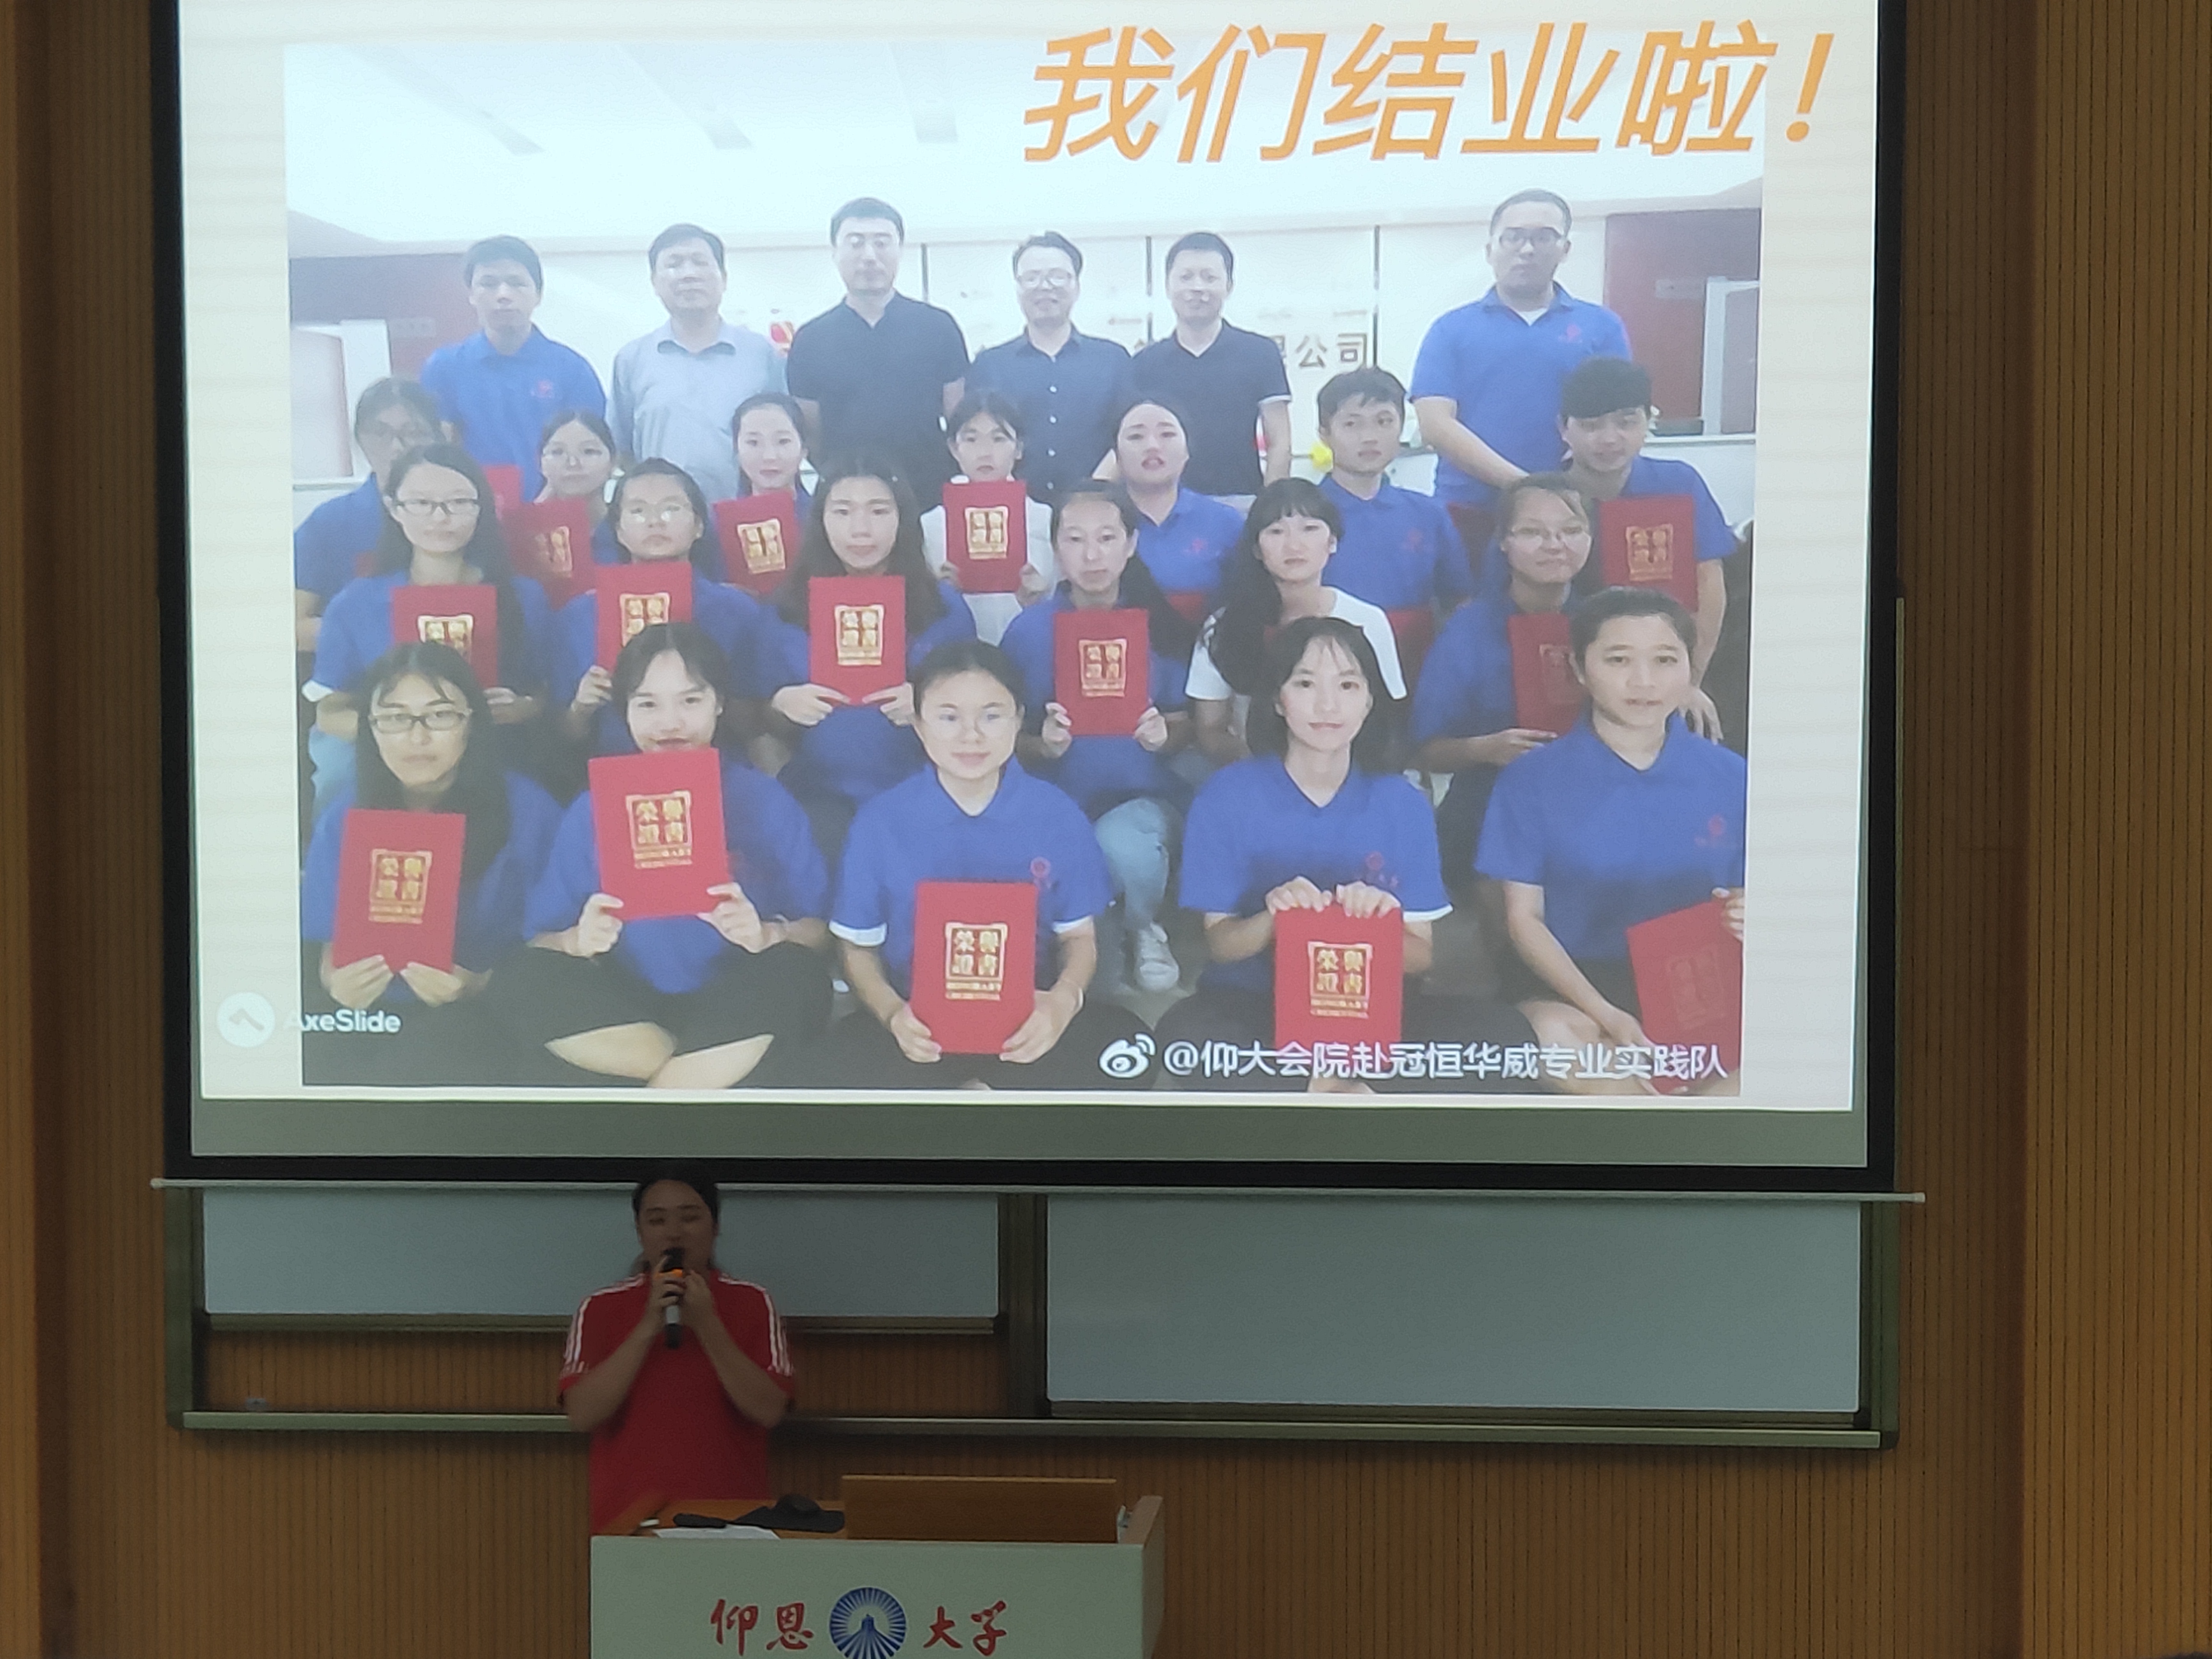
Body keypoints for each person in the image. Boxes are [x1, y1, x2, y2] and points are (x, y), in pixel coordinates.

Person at [1157, 617, 1536, 1093]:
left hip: (1372, 1008)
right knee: (1185, 1038)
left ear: (1370, 700)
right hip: (1257, 1003)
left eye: (1348, 685)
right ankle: (1349, 1090)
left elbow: (1420, 957)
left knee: (1507, 1037)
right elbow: (1221, 944)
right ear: (1278, 699)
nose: (1328, 705)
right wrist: (1275, 920)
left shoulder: (1402, 803)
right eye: (1305, 684)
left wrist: (1377, 925)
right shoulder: (1226, 796)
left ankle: (1317, 1087)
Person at [498, 624, 835, 1089]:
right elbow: (540, 941)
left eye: (690, 701)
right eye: (647, 704)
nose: (670, 723)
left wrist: (767, 934)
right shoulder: (594, 807)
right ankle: (693, 1076)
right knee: (519, 976)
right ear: (625, 711)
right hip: (628, 1010)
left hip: (736, 997)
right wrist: (578, 940)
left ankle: (656, 1093)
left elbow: (818, 933)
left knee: (798, 972)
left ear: (719, 703)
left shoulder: (764, 800)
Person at [820, 639, 1160, 1089]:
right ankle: (993, 1101)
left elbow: (1079, 938)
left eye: (992, 716)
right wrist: (892, 1014)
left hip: (1029, 1020)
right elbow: (857, 948)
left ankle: (964, 1102)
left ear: (1019, 720)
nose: (971, 736)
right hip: (917, 1025)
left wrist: (1061, 1005)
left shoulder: (1057, 814)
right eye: (948, 717)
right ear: (918, 724)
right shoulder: (879, 822)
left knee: (1132, 1049)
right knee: (829, 1067)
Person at [1474, 587, 1746, 1095]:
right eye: (1619, 660)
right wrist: (1606, 1013)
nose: (1644, 681)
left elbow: (1752, 899)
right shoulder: (1530, 780)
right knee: (1556, 1042)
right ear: (1579, 668)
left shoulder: (1735, 778)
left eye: (1665, 660)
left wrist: (1749, 915)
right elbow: (1523, 920)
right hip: (1574, 985)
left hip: (1701, 986)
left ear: (1691, 667)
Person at [300, 642, 564, 1084]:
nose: (417, 738)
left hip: (488, 1012)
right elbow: (330, 941)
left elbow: (559, 944)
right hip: (372, 1013)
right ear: (370, 727)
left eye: (440, 716)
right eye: (395, 718)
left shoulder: (530, 811)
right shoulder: (344, 816)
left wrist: (481, 985)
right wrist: (336, 983)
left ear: (472, 723)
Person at [999, 482, 1197, 994]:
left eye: (1107, 538)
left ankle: (1142, 926)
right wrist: (1042, 745)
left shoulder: (1162, 627)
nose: (1092, 556)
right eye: (1075, 539)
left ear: (1131, 544)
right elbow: (1002, 735)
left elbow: (1187, 722)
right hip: (1051, 797)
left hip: (1140, 798)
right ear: (1056, 548)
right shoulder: (1027, 633)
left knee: (1123, 845)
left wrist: (1164, 735)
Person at [305, 443, 553, 814]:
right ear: (394, 508)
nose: (441, 517)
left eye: (459, 502)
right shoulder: (354, 605)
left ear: (482, 509)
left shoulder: (523, 597)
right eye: (422, 503)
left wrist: (521, 709)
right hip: (389, 765)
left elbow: (545, 696)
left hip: (492, 758)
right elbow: (329, 714)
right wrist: (401, 727)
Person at [761, 460, 978, 866]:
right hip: (818, 795)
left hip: (922, 790)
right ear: (820, 520)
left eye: (878, 511)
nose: (860, 530)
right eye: (843, 512)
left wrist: (930, 704)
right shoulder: (787, 609)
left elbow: (977, 703)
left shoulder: (944, 609)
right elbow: (751, 717)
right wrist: (780, 704)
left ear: (903, 519)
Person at [559, 1169, 794, 1534]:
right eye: (657, 1221)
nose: (674, 1232)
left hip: (734, 1518)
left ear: (715, 1227)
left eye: (690, 1217)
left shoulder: (753, 1301)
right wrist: (648, 1325)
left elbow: (769, 1410)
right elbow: (583, 1415)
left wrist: (708, 1324)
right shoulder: (600, 1307)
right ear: (640, 1232)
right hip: (630, 1520)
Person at [1410, 474, 1591, 884]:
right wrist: (1485, 749)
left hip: (1589, 807)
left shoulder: (1607, 622)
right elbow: (1426, 751)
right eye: (1532, 532)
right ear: (1504, 541)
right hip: (1489, 810)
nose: (1554, 545)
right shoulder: (1469, 630)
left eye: (1571, 530)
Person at [1410, 191, 1630, 510]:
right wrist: (1526, 487)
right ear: (1490, 250)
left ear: (1565, 249)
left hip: (1573, 508)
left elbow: (1618, 419)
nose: (1527, 249)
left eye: (1543, 238)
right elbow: (1435, 425)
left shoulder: (1602, 327)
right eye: (1513, 237)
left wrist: (1559, 493)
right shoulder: (1450, 330)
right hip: (1468, 508)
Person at [1555, 356, 1734, 738]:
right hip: (1574, 677)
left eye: (1626, 422)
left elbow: (1710, 585)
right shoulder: (1543, 497)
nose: (1609, 439)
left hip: (1669, 668)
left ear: (1648, 421)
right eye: (1591, 425)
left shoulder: (1679, 483)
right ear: (1563, 428)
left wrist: (1689, 681)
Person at [546, 459, 776, 758]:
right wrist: (581, 708)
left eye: (671, 509)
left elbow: (760, 724)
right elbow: (562, 736)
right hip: (616, 771)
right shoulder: (579, 615)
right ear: (618, 530)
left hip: (718, 769)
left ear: (699, 526)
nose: (655, 522)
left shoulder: (737, 609)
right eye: (638, 511)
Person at [1187, 480, 1407, 764]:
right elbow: (1211, 731)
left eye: (1310, 529)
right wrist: (1274, 770)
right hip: (1257, 772)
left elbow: (1388, 720)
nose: (1294, 545)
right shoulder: (1223, 626)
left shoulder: (1367, 620)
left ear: (1332, 542)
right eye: (1276, 531)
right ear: (1257, 549)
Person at [784, 198, 968, 505]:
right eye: (856, 243)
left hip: (929, 496)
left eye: (882, 243)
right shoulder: (810, 339)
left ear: (900, 251)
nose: (869, 256)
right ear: (835, 253)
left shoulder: (938, 327)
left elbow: (959, 419)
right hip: (846, 500)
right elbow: (811, 436)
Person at [608, 223, 784, 505]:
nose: (688, 274)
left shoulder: (761, 354)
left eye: (700, 262)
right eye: (674, 265)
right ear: (655, 282)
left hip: (744, 516)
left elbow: (784, 439)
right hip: (662, 520)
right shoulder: (632, 359)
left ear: (723, 278)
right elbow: (622, 449)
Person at [419, 236, 606, 500]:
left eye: (517, 283)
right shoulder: (444, 368)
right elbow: (436, 452)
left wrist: (543, 507)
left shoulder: (573, 370)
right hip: (470, 512)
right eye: (489, 284)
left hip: (557, 510)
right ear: (471, 294)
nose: (503, 295)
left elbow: (593, 456)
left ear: (538, 294)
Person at [966, 232, 1133, 504]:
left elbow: (1129, 435)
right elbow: (977, 441)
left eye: (1057, 276)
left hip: (1097, 508)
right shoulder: (989, 365)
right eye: (1031, 278)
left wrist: (1093, 493)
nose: (1044, 287)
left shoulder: (1113, 360)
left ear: (1076, 286)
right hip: (1014, 509)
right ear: (1018, 288)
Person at [1130, 232, 1291, 498]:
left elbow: (1279, 442)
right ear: (1168, 286)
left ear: (1229, 286)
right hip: (1166, 503)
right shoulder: (1145, 363)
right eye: (1186, 277)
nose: (1197, 287)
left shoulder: (1260, 353)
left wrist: (1270, 507)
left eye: (1209, 277)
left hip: (1241, 500)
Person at [294, 379, 442, 655]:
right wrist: (378, 635)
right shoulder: (329, 523)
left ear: (437, 437)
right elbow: (291, 627)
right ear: (360, 440)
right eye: (380, 433)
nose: (397, 447)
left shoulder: (462, 514)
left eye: (413, 432)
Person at [1314, 367, 1474, 615]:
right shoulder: (1305, 515)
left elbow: (1459, 601)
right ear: (1325, 434)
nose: (1369, 437)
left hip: (1414, 640)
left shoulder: (1429, 514)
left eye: (1384, 422)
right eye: (1352, 424)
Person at [919, 390, 1054, 645]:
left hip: (1025, 643)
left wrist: (1041, 597)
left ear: (1019, 449)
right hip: (959, 650)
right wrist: (940, 593)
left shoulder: (1045, 519)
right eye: (971, 439)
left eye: (998, 439)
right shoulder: (931, 525)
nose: (985, 452)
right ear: (954, 449)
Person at [1112, 397, 1244, 621]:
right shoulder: (1099, 523)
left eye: (1167, 434)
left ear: (1187, 451)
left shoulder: (1226, 522)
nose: (1152, 446)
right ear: (1117, 456)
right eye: (1136, 437)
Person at [533, 408, 623, 566]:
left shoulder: (630, 529)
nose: (573, 463)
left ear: (614, 461)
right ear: (540, 463)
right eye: (558, 452)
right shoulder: (516, 533)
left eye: (589, 451)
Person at [730, 391, 814, 524]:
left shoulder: (823, 518)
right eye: (754, 443)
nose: (769, 456)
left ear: (804, 450)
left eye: (783, 442)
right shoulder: (721, 523)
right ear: (737, 450)